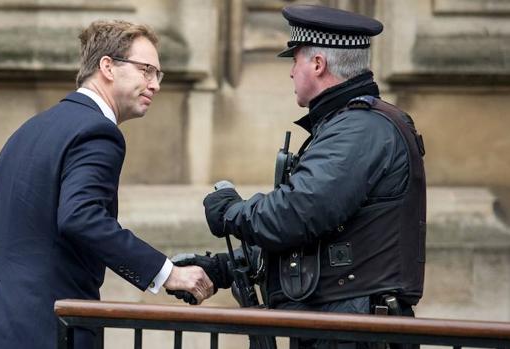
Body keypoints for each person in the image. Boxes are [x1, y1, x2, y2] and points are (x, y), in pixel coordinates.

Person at [0, 20, 214, 349]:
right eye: (146, 70)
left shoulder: (28, 131)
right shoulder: (98, 133)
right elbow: (80, 217)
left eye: (158, 74)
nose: (155, 84)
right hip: (47, 330)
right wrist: (167, 273)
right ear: (107, 67)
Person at [177, 4, 426, 349]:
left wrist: (231, 213)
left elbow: (298, 213)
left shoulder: (358, 129)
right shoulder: (350, 125)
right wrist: (225, 267)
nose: (291, 72)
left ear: (318, 64)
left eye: (294, 60)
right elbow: (320, 239)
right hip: (342, 325)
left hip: (352, 332)